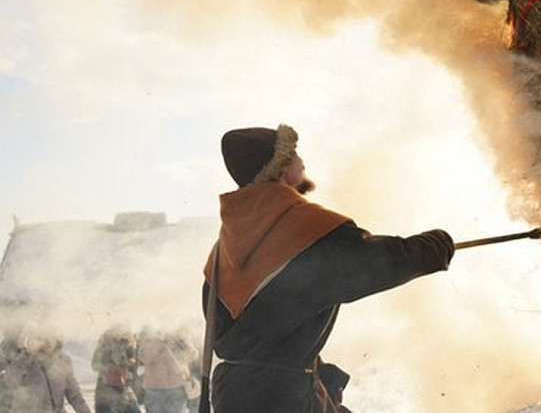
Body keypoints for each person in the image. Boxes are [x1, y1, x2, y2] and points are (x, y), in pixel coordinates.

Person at [203, 124, 455, 413]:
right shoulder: (299, 226)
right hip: (280, 397)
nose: (302, 160)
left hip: (234, 394)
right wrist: (437, 245)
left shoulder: (226, 246)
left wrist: (314, 369)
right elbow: (369, 263)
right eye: (294, 154)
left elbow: (263, 331)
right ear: (281, 167)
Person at [0, 326, 91, 413]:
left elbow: (75, 397)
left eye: (50, 337)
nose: (46, 343)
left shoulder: (63, 361)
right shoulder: (23, 360)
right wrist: (28, 354)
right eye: (40, 339)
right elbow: (9, 382)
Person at [138, 329, 193, 413]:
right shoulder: (149, 335)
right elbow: (143, 357)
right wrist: (157, 344)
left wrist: (173, 345)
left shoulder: (180, 333)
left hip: (176, 388)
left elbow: (192, 354)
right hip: (154, 389)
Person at [91, 327, 140, 413]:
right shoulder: (107, 342)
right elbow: (95, 364)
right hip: (108, 391)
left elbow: (134, 364)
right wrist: (108, 367)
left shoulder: (130, 340)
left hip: (124, 390)